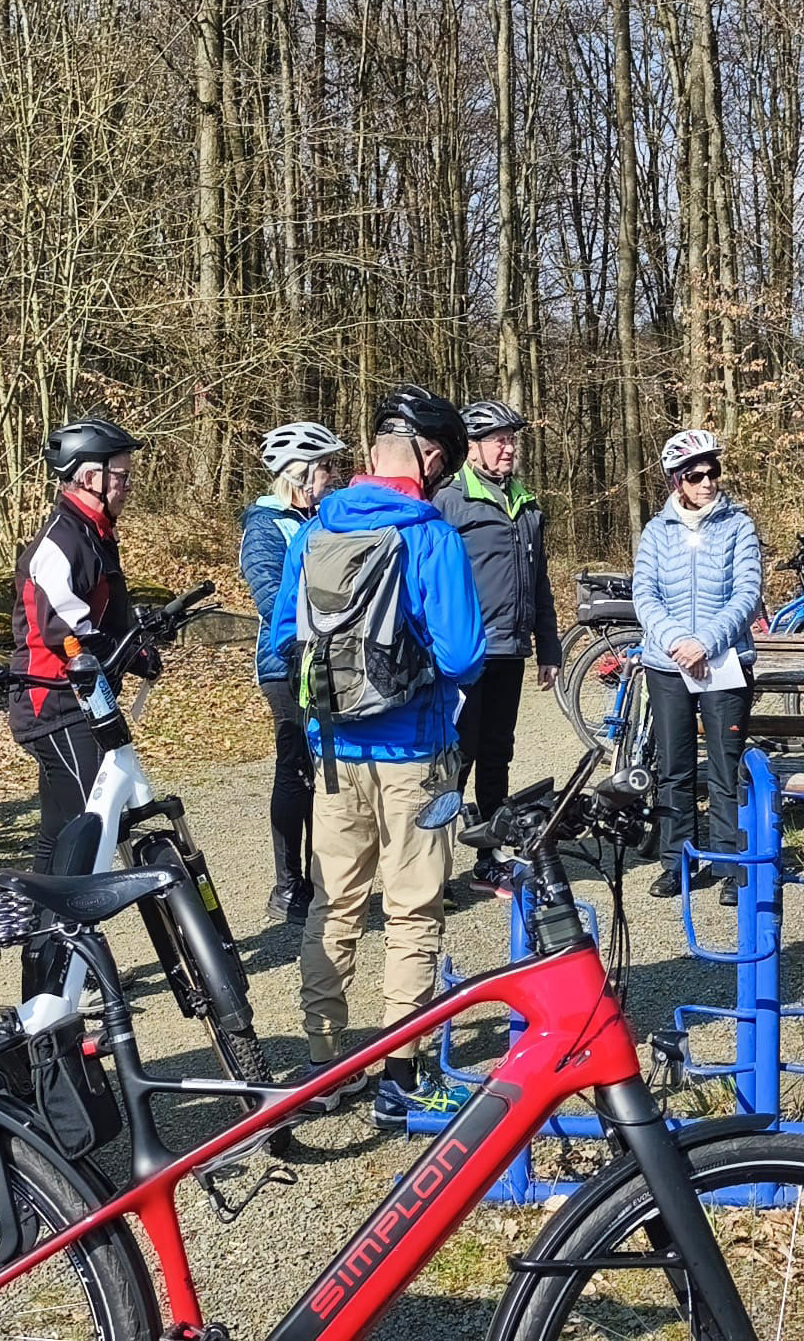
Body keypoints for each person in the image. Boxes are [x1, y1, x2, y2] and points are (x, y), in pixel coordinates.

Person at [266, 385, 485, 1127]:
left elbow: (278, 646)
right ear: (428, 458)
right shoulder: (432, 537)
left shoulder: (311, 530)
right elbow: (463, 656)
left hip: (331, 753)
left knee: (333, 902)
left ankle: (324, 1063)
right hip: (414, 751)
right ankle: (401, 1070)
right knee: (414, 908)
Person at [9, 417, 156, 872]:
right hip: (54, 702)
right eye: (121, 475)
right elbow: (68, 626)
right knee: (86, 825)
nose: (127, 485)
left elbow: (104, 611)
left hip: (81, 697)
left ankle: (39, 930)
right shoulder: (62, 541)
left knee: (59, 829)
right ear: (90, 477)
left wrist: (139, 642)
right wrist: (129, 652)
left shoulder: (94, 532)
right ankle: (68, 928)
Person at [433, 399, 561, 896]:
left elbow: (540, 581)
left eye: (512, 439)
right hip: (465, 654)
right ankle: (435, 865)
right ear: (473, 448)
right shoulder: (449, 501)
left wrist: (547, 646)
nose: (508, 448)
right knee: (455, 758)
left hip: (510, 651)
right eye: (498, 440)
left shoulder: (526, 503)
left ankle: (490, 856)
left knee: (496, 755)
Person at [631, 429, 762, 902]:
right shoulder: (655, 531)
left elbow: (747, 593)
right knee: (674, 766)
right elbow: (644, 595)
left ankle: (730, 863)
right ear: (676, 483)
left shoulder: (738, 526)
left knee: (726, 768)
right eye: (696, 475)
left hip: (724, 661)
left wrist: (705, 641)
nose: (708, 482)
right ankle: (677, 862)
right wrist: (674, 642)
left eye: (714, 472)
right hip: (667, 665)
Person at [240, 419, 348, 923]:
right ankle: (288, 885)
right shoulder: (265, 525)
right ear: (299, 473)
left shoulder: (331, 516)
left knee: (329, 771)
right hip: (284, 662)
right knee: (296, 769)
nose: (333, 474)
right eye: (325, 466)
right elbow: (268, 595)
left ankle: (325, 878)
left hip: (329, 657)